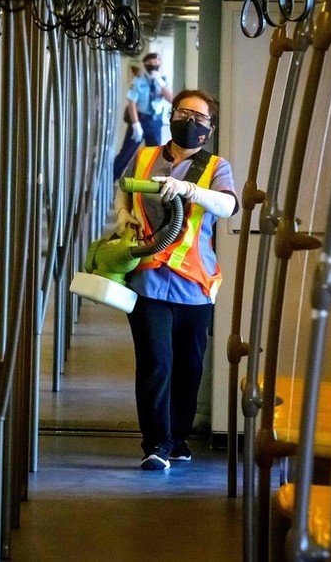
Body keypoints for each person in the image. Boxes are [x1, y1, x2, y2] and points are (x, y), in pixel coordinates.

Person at [115, 88, 239, 470]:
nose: (190, 122)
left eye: (200, 119)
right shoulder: (146, 156)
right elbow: (123, 189)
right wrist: (123, 217)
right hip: (148, 278)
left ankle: (178, 437)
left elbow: (228, 205)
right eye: (184, 113)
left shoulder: (216, 167)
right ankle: (156, 444)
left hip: (195, 285)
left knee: (189, 366)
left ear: (210, 128)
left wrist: (190, 190)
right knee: (156, 361)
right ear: (171, 115)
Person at [112, 52, 173, 181]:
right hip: (140, 120)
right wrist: (135, 124)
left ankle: (152, 182)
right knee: (126, 153)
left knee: (155, 156)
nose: (154, 66)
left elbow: (171, 98)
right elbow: (131, 103)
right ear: (146, 64)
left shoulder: (163, 80)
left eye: (157, 63)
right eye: (151, 63)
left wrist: (159, 82)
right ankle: (111, 180)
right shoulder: (138, 80)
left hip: (155, 122)